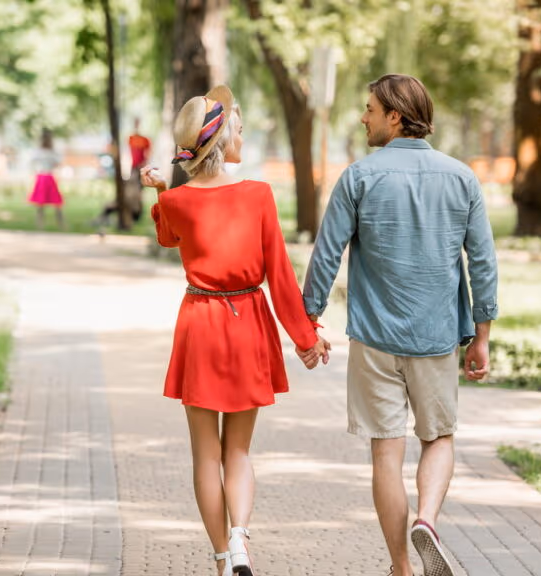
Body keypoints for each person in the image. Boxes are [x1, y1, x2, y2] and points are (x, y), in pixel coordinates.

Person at [302, 74, 499, 576]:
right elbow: (482, 263)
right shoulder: (460, 178)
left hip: (374, 340)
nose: (363, 117)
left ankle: (400, 567)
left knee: (385, 456)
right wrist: (482, 337)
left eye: (369, 109)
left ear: (395, 115)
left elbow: (327, 255)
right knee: (438, 439)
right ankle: (427, 520)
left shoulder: (358, 177)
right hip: (436, 339)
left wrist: (309, 321)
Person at [141, 85, 330, 576]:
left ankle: (223, 559)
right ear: (223, 140)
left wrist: (162, 191)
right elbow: (281, 277)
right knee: (238, 450)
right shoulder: (258, 195)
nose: (243, 135)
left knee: (205, 454)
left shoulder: (179, 202)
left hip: (200, 323)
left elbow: (167, 236)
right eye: (240, 129)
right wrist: (306, 339)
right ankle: (241, 538)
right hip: (247, 322)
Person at [27, 129, 64, 230]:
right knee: (40, 203)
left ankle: (61, 224)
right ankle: (40, 225)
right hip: (42, 177)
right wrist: (35, 172)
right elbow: (32, 162)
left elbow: (58, 163)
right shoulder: (39, 151)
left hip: (50, 176)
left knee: (57, 202)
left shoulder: (53, 151)